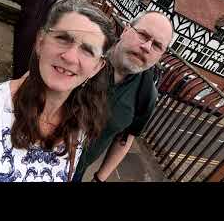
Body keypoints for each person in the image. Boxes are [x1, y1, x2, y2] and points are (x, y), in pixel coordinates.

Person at [0, 0, 116, 182]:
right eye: (63, 38)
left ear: (97, 68)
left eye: (87, 50)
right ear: (40, 42)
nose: (70, 57)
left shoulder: (78, 125)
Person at [72, 10, 173, 182]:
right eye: (143, 35)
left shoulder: (146, 94)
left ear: (161, 55)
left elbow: (125, 138)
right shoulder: (88, 53)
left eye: (157, 46)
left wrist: (99, 178)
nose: (147, 47)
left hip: (76, 172)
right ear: (126, 30)